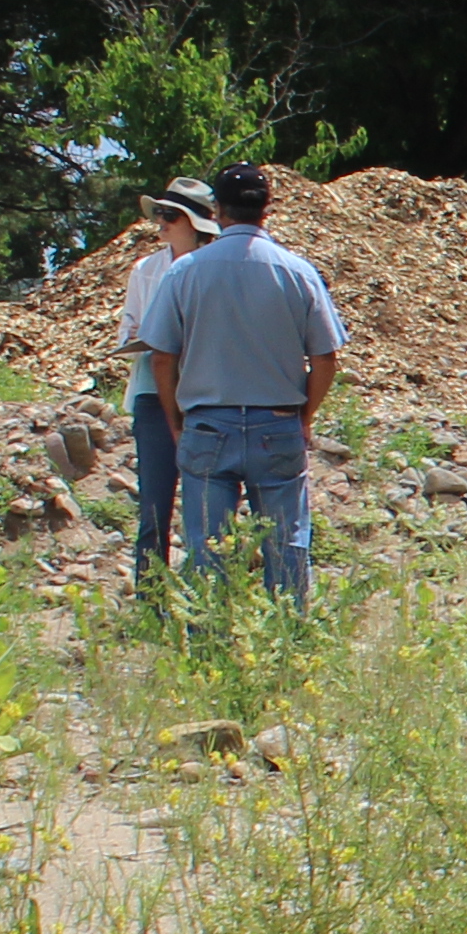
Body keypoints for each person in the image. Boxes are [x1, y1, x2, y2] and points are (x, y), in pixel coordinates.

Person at [134, 159, 347, 605]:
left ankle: (212, 654)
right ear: (266, 208)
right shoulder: (297, 272)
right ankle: (286, 650)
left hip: (208, 425)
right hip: (277, 424)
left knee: (208, 552)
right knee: (286, 547)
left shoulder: (184, 272)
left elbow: (161, 357)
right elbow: (326, 359)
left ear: (219, 212)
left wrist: (175, 421)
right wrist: (303, 416)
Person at [117, 177, 211, 589]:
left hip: (204, 394)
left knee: (204, 506)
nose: (161, 223)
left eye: (170, 215)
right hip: (152, 395)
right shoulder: (146, 270)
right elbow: (128, 331)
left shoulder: (215, 268)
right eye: (159, 214)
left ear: (196, 223)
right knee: (154, 506)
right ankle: (151, 600)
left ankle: (202, 593)